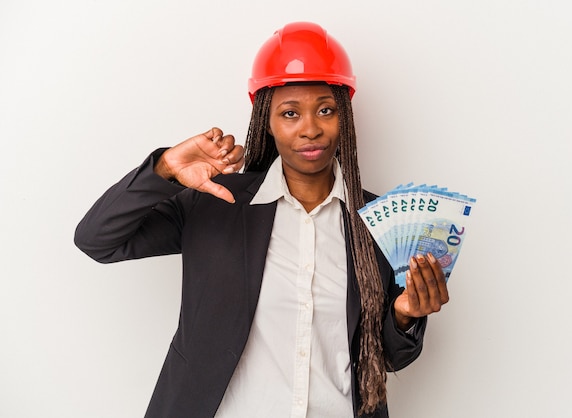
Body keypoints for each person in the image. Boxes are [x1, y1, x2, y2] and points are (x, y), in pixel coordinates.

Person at [74, 21, 449, 418]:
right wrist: (164, 168)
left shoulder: (380, 225)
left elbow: (385, 359)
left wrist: (404, 316)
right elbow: (98, 240)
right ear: (266, 123)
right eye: (290, 113)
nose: (310, 129)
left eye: (326, 109)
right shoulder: (215, 203)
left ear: (345, 119)